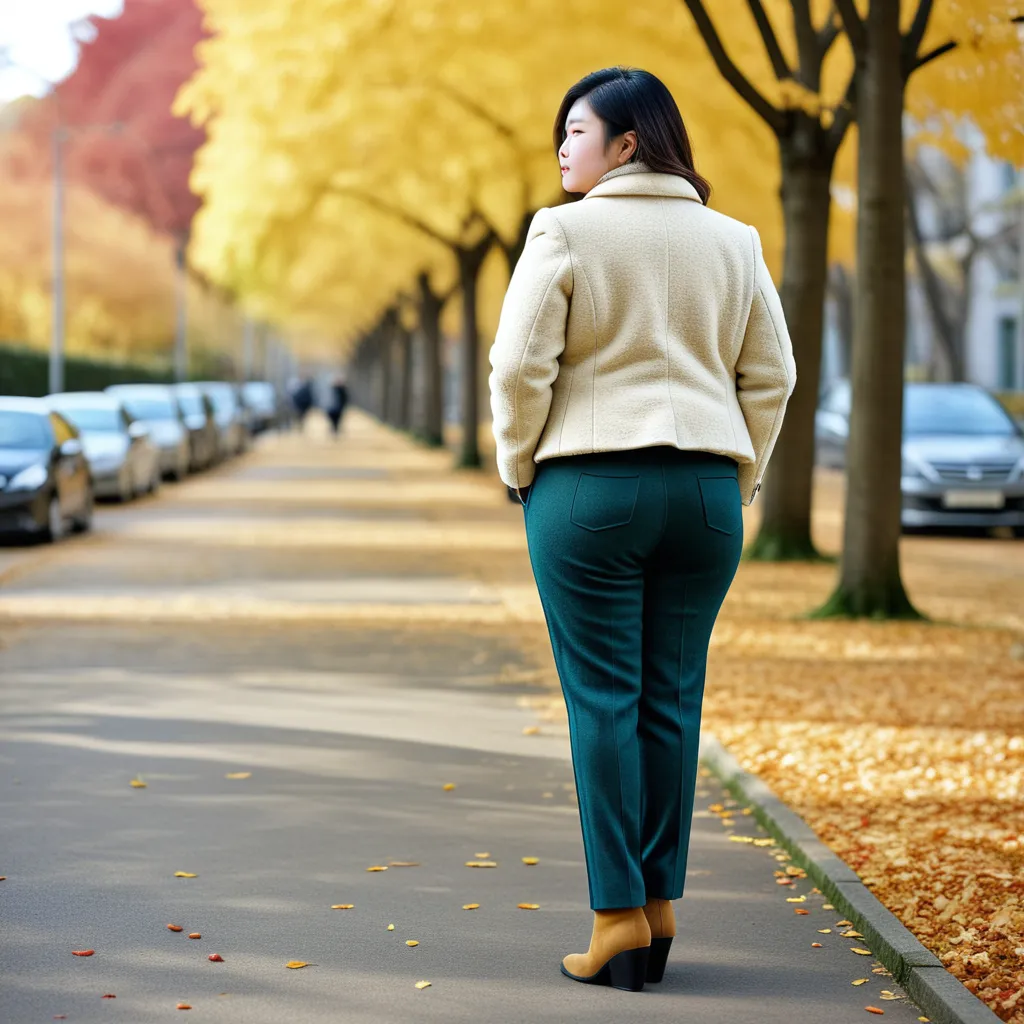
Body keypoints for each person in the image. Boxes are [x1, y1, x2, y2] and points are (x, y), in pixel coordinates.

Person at [488, 67, 796, 993]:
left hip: (590, 488)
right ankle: (660, 906)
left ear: (628, 143)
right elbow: (770, 376)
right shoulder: (735, 239)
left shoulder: (565, 229)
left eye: (575, 131)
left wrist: (517, 465)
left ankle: (617, 914)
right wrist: (739, 473)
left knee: (603, 701)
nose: (562, 150)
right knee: (672, 699)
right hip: (705, 493)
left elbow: (516, 367)